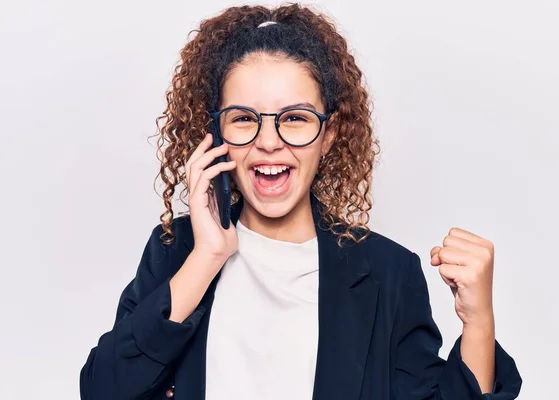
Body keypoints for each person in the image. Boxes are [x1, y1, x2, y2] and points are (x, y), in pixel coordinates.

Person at [79, 3, 522, 400]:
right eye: (243, 119)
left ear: (328, 135)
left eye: (294, 118)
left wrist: (478, 321)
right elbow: (103, 390)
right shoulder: (176, 250)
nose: (269, 142)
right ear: (216, 136)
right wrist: (207, 257)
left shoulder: (389, 274)